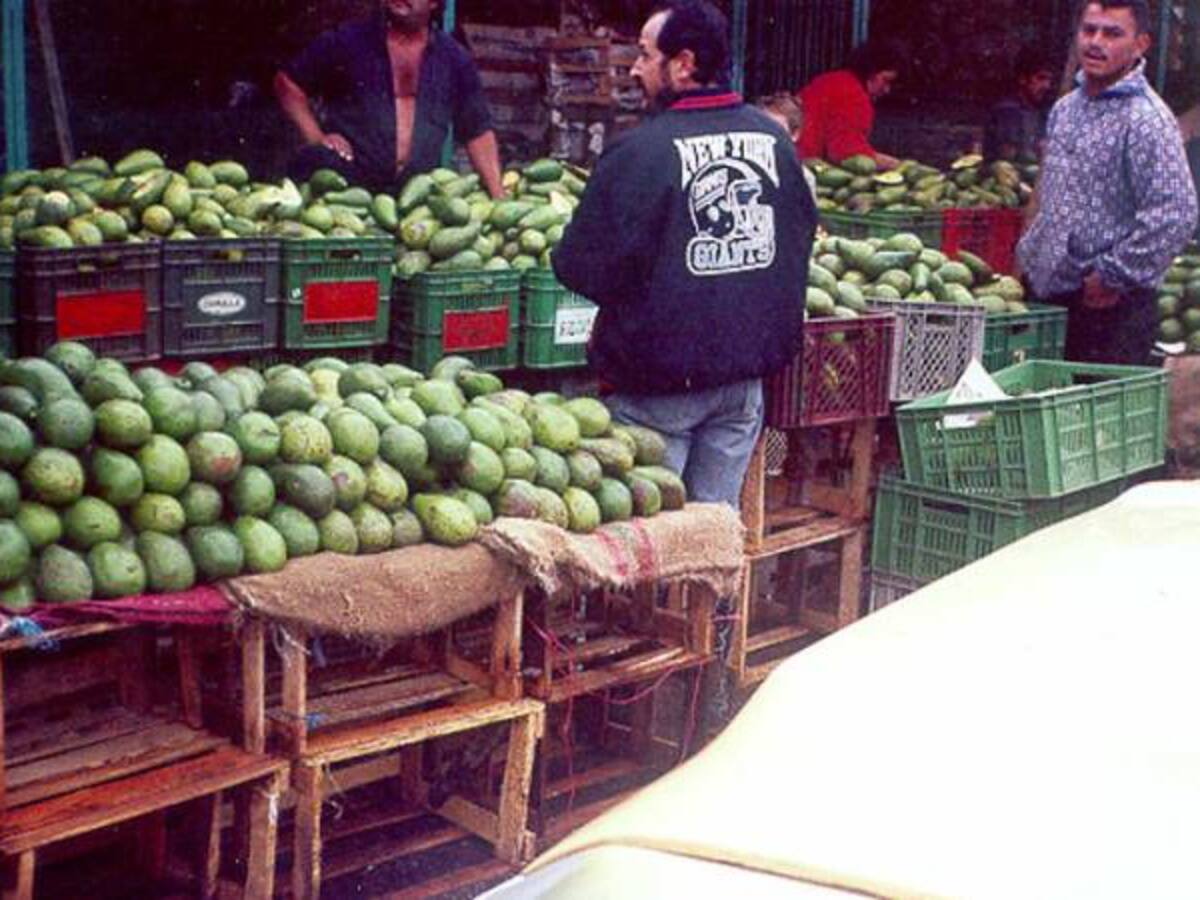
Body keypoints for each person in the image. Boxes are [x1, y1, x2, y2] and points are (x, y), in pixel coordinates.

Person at [553, 0, 816, 509]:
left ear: (684, 63)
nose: (634, 67)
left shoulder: (639, 153)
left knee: (655, 541)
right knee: (712, 534)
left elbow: (579, 265)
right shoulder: (775, 143)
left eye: (645, 55)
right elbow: (799, 240)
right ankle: (709, 595)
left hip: (658, 391)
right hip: (743, 387)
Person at [1017, 0, 1197, 366]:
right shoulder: (1066, 109)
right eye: (1089, 30)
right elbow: (1051, 193)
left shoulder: (1147, 120)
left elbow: (1176, 213)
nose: (1096, 42)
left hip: (1109, 311)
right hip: (1051, 296)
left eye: (1113, 33)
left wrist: (1113, 275)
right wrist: (1027, 255)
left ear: (1140, 44)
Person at [274, 0, 504, 197]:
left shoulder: (454, 58)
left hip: (414, 198)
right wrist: (316, 137)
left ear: (434, 2)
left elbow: (478, 131)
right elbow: (288, 84)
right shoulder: (348, 41)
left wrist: (498, 196)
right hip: (346, 192)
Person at [795, 39, 904, 170]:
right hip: (804, 166)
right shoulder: (854, 95)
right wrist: (899, 167)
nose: (887, 90)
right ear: (870, 71)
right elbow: (847, 151)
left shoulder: (831, 79)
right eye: (885, 80)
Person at [983, 45, 1056, 161]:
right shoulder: (1008, 111)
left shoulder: (1040, 111)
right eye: (1040, 78)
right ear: (1023, 79)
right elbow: (1008, 157)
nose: (1047, 86)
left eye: (1049, 80)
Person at [756, 92, 819, 200]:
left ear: (795, 134)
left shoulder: (803, 178)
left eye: (778, 131)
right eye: (763, 128)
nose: (769, 136)